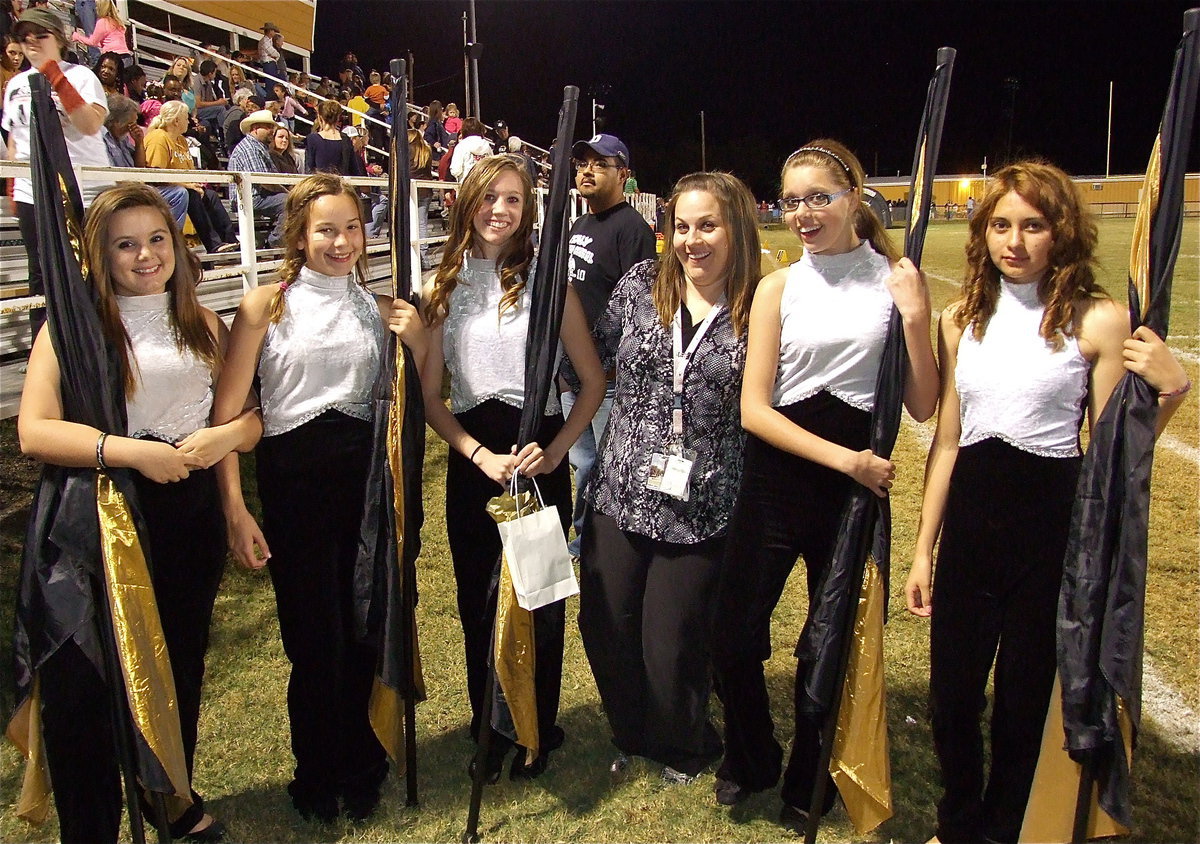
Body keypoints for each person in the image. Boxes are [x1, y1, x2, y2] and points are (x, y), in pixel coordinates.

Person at [903, 161, 1189, 844]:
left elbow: (1115, 451)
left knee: (1024, 705)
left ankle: (1004, 827)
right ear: (983, 231)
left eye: (1033, 225)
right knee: (951, 700)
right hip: (972, 524)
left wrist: (1171, 394)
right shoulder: (959, 317)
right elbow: (946, 442)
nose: (1016, 241)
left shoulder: (1098, 319)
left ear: (1062, 231)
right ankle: (959, 819)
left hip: (1050, 530)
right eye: (1001, 224)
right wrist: (922, 549)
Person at [17, 183, 263, 843]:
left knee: (175, 663)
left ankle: (168, 799)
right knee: (88, 681)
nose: (146, 255)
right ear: (100, 255)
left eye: (157, 239)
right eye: (125, 244)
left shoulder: (205, 323)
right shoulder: (71, 329)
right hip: (102, 512)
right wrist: (129, 454)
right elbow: (34, 431)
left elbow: (246, 420)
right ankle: (91, 825)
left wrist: (231, 483)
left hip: (188, 514)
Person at [710, 140, 939, 831]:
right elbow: (755, 410)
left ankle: (811, 778)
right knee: (731, 637)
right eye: (792, 201)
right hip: (784, 480)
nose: (804, 214)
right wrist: (846, 462)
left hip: (851, 501)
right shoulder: (779, 286)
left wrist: (918, 319)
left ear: (854, 197)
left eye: (820, 198)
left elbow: (924, 404)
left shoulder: (895, 280)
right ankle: (751, 758)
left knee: (828, 643)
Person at [212, 172, 426, 823]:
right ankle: (317, 770)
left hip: (364, 484)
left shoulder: (380, 308)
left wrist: (418, 339)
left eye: (352, 227)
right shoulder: (264, 307)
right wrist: (235, 508)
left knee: (364, 628)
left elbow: (420, 394)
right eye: (326, 229)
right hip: (295, 483)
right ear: (300, 236)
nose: (341, 241)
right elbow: (227, 414)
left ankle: (364, 764)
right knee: (314, 640)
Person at [419, 155, 605, 781]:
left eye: (514, 200)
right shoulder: (441, 286)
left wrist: (555, 451)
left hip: (537, 455)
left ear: (530, 211)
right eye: (488, 196)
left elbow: (591, 383)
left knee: (539, 599)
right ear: (465, 200)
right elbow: (429, 398)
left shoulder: (552, 283)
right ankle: (488, 726)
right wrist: (474, 452)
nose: (499, 210)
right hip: (476, 455)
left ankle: (535, 726)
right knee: (479, 601)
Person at [578, 171, 762, 785]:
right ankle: (631, 731)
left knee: (671, 641)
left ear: (735, 228)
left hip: (703, 502)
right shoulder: (640, 285)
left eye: (707, 225)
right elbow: (595, 359)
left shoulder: (758, 305)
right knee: (604, 624)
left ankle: (683, 743)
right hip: (623, 486)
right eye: (681, 226)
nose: (692, 240)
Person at [560, 133, 656, 555]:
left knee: (606, 462)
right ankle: (586, 536)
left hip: (608, 375)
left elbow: (640, 307)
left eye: (601, 163)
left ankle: (602, 539)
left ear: (624, 175)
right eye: (583, 162)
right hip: (571, 372)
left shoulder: (632, 229)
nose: (588, 169)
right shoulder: (578, 225)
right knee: (581, 462)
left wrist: (614, 369)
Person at [3, 7, 109, 348]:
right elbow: (14, 141)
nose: (31, 43)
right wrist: (13, 186)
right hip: (33, 189)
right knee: (41, 273)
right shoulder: (16, 84)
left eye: (40, 36)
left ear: (59, 40)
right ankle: (45, 349)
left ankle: (95, 341)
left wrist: (53, 75)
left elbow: (90, 124)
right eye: (24, 38)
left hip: (81, 187)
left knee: (87, 267)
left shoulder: (80, 76)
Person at [144, 100, 239, 254]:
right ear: (176, 120)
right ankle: (213, 244)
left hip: (183, 186)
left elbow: (189, 171)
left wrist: (194, 184)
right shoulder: (158, 138)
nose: (189, 121)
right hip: (161, 189)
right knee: (192, 194)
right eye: (186, 118)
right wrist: (187, 185)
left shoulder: (181, 140)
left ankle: (231, 241)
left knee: (211, 195)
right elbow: (155, 175)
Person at [225, 108, 287, 247]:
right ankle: (275, 243)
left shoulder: (259, 147)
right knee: (289, 201)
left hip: (257, 196)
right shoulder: (250, 148)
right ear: (255, 128)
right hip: (249, 198)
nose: (272, 130)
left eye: (272, 127)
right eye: (268, 127)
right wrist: (289, 193)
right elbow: (264, 181)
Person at [449, 116, 491, 183]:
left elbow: (455, 170)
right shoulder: (487, 145)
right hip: (484, 184)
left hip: (467, 185)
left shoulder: (461, 146)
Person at [423, 98, 449, 163]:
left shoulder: (438, 123)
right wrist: (434, 143)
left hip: (442, 154)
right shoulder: (434, 123)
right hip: (438, 156)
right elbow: (427, 135)